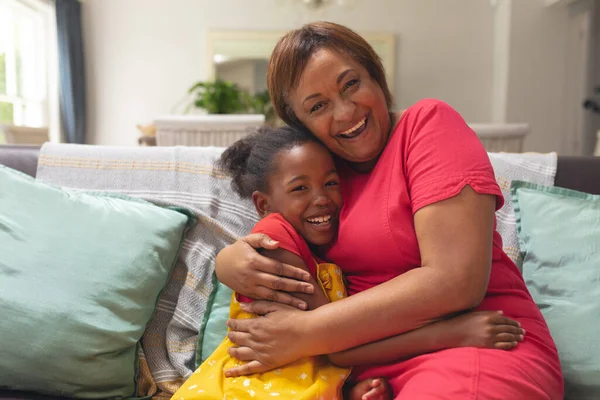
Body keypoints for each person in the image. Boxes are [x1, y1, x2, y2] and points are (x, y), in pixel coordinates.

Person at [214, 22, 564, 399]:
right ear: (301, 125)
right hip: (360, 370)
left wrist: (304, 334)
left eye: (351, 84)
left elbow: (455, 283)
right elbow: (282, 248)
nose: (346, 112)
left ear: (376, 76)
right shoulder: (319, 178)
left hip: (474, 344)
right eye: (318, 106)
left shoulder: (427, 126)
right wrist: (229, 261)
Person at [174, 126, 524, 400]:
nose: (322, 199)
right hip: (259, 389)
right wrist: (454, 333)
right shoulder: (274, 240)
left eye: (330, 183)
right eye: (300, 189)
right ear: (264, 204)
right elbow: (338, 346)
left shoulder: (322, 246)